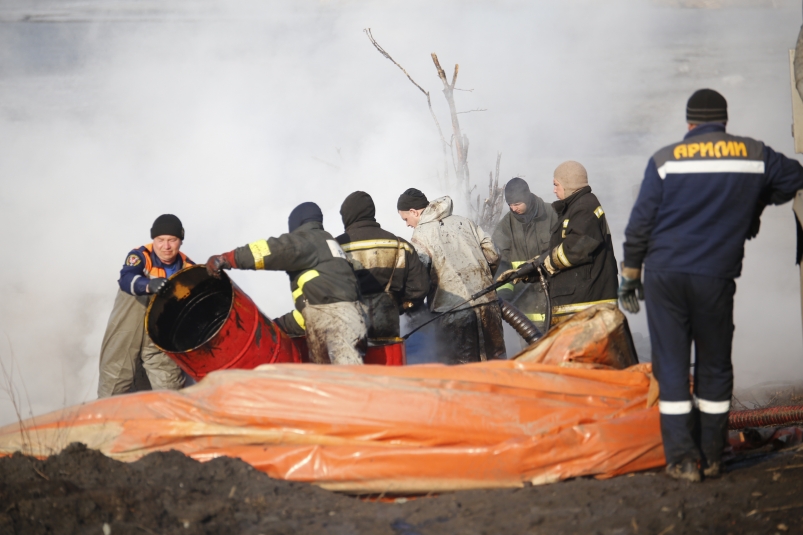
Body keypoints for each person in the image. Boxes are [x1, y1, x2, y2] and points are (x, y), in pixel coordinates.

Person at [619, 89, 803, 482]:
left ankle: (683, 460)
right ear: (724, 121)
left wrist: (631, 274)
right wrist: (754, 206)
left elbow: (639, 224)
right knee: (714, 366)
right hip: (714, 276)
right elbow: (794, 177)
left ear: (689, 124)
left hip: (665, 275)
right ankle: (715, 455)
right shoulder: (753, 154)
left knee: (670, 366)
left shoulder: (665, 160)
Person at [206, 202, 367, 365]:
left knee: (344, 382)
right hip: (346, 322)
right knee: (332, 383)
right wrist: (278, 326)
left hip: (336, 327)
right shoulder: (328, 248)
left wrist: (228, 259)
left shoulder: (309, 239)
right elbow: (318, 307)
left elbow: (275, 251)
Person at [397, 188, 506, 363]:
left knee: (461, 373)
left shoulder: (421, 236)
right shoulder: (465, 222)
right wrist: (481, 280)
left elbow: (419, 279)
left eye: (406, 219)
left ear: (413, 211)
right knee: (496, 366)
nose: (407, 224)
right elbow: (493, 254)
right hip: (488, 306)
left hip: (452, 314)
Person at [98, 214, 190, 398]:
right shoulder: (140, 256)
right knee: (115, 379)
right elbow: (126, 278)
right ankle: (105, 423)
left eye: (172, 240)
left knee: (171, 389)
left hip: (160, 334)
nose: (166, 246)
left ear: (180, 241)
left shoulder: (189, 269)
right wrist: (148, 285)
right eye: (160, 240)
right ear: (153, 239)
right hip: (128, 327)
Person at [336, 191, 430, 339]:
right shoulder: (400, 246)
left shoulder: (335, 248)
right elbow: (420, 287)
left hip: (351, 334)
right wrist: (400, 305)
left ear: (347, 216)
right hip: (388, 327)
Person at [539, 161, 618, 323]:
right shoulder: (576, 208)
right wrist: (533, 267)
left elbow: (577, 248)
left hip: (586, 308)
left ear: (568, 184)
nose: (554, 190)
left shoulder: (585, 207)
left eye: (556, 184)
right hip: (580, 305)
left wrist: (548, 263)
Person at [493, 177, 558, 339]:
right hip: (526, 309)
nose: (514, 209)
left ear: (528, 197)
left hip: (555, 299)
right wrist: (504, 295)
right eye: (510, 205)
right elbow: (503, 267)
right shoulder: (504, 228)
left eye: (517, 204)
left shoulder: (552, 215)